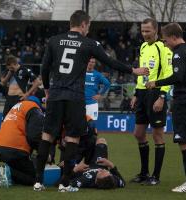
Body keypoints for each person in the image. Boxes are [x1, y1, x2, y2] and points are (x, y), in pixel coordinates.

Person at [34, 10, 148, 192]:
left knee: (47, 136)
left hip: (55, 95)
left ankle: (38, 181)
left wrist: (47, 89)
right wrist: (133, 70)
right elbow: (110, 62)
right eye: (89, 26)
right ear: (84, 24)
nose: (88, 29)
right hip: (75, 97)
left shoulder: (54, 40)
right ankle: (64, 183)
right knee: (72, 139)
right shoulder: (88, 44)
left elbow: (45, 68)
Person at [145, 23, 186, 192]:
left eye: (165, 41)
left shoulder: (178, 53)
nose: (165, 44)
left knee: (185, 144)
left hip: (184, 102)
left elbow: (177, 77)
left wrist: (156, 83)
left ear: (173, 37)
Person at [130, 18, 173, 185]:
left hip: (156, 93)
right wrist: (136, 93)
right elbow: (143, 73)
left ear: (156, 30)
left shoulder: (163, 47)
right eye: (142, 31)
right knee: (139, 134)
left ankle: (156, 176)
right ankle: (144, 173)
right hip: (142, 93)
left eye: (148, 31)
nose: (145, 34)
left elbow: (169, 74)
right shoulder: (142, 47)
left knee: (157, 135)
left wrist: (162, 96)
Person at [0, 96, 44, 187]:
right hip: (15, 149)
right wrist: (42, 151)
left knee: (20, 170)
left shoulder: (16, 107)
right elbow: (33, 136)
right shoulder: (34, 108)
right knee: (35, 178)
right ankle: (8, 172)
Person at [1, 55, 41, 120]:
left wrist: (27, 94)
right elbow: (3, 83)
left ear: (13, 64)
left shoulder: (25, 70)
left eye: (10, 67)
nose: (9, 68)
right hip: (9, 99)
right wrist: (9, 73)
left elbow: (38, 82)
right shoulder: (9, 71)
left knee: (18, 120)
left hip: (19, 98)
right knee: (4, 120)